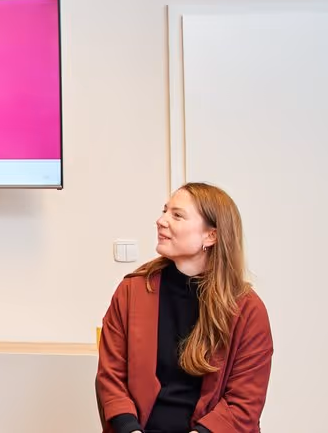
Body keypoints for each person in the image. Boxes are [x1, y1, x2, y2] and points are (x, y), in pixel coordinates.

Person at [96, 182, 273, 433]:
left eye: (177, 215)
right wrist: (130, 429)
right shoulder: (131, 292)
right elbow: (111, 377)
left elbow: (243, 403)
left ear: (211, 236)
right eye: (164, 211)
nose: (161, 221)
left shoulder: (248, 309)